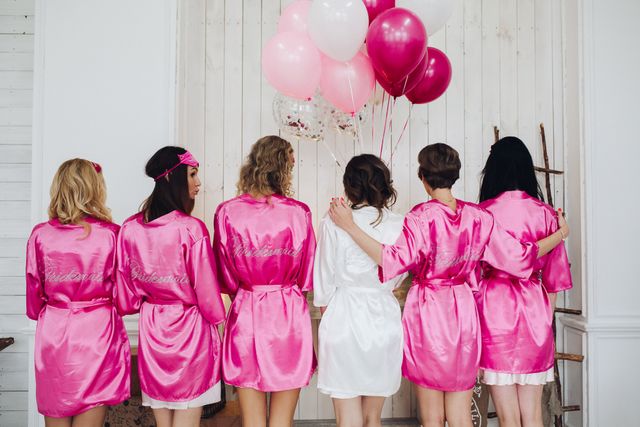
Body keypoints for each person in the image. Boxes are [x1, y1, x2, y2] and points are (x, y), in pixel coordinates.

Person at [328, 143, 569, 427]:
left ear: (423, 177)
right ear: (456, 175)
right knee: (460, 414)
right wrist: (560, 234)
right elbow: (519, 258)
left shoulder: (420, 217)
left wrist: (350, 227)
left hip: (428, 312)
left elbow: (391, 260)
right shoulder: (479, 217)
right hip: (463, 313)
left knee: (432, 416)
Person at [116, 147, 226, 427]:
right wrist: (221, 324)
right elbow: (208, 296)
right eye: (192, 174)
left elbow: (126, 298)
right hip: (190, 333)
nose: (199, 182)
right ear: (171, 178)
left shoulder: (129, 229)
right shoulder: (191, 229)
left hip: (153, 331)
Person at [213, 135, 316, 427]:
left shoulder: (227, 212)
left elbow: (223, 275)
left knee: (252, 421)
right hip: (288, 315)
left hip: (246, 312)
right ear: (283, 168)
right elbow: (306, 274)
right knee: (281, 421)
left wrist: (246, 288)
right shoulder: (298, 212)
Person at [476, 136, 572, 427]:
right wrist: (544, 319)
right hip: (534, 314)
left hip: (494, 313)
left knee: (507, 417)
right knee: (532, 416)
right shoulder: (547, 214)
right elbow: (555, 280)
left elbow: (473, 274)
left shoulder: (482, 214)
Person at [26, 159, 130, 427]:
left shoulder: (40, 235)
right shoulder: (112, 234)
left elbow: (33, 304)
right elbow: (125, 298)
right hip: (96, 333)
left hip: (54, 333)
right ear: (95, 189)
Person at [314, 154, 407, 427]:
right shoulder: (399, 224)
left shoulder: (332, 220)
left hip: (343, 317)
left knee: (347, 418)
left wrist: (328, 315)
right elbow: (398, 274)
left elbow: (324, 279)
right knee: (372, 417)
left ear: (349, 185)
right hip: (383, 319)